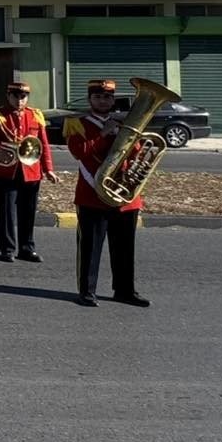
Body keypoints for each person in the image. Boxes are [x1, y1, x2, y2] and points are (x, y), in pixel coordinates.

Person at [63, 79, 151, 308]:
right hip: (93, 195)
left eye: (108, 97)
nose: (103, 101)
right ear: (90, 99)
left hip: (125, 196)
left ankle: (124, 290)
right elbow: (79, 152)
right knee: (90, 247)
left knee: (124, 248)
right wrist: (103, 133)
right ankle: (87, 292)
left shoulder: (127, 124)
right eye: (98, 97)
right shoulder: (77, 123)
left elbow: (137, 154)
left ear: (113, 99)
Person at [0, 80, 57, 263]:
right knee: (6, 212)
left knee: (29, 211)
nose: (19, 100)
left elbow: (43, 145)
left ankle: (27, 248)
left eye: (23, 97)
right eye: (15, 96)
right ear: (8, 96)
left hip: (31, 169)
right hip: (5, 169)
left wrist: (48, 169)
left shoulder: (36, 115)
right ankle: (7, 248)